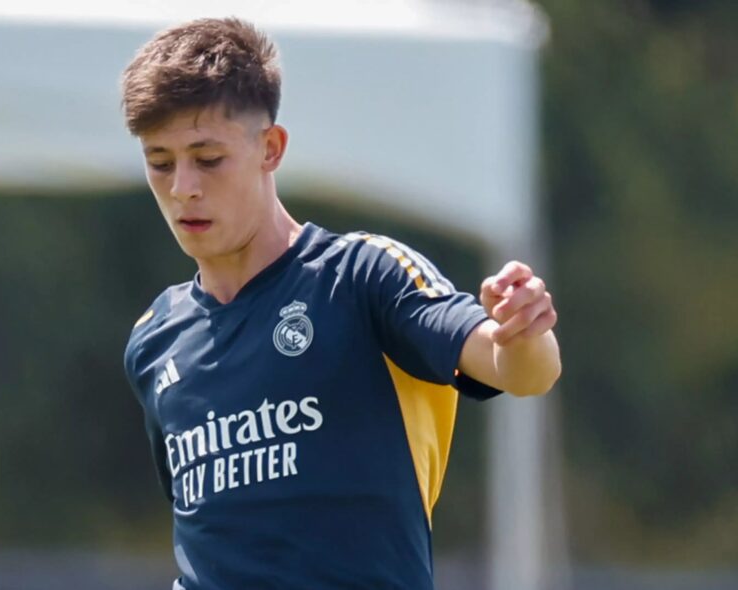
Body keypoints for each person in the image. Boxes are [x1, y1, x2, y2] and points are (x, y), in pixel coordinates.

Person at [120, 17, 561, 590]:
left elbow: (518, 370)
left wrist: (522, 329)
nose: (183, 187)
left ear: (270, 149)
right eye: (160, 162)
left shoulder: (361, 276)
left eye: (207, 159)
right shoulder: (155, 338)